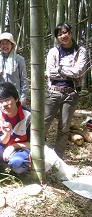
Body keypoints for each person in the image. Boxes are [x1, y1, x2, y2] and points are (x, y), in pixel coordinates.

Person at [44, 22, 87, 156]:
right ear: (57, 37)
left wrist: (60, 69)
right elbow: (50, 73)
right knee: (43, 124)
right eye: (59, 34)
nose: (63, 36)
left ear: (70, 33)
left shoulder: (81, 50)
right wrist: (69, 73)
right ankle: (36, 154)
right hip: (53, 92)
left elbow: (79, 72)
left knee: (64, 129)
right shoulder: (53, 51)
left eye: (65, 32)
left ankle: (58, 160)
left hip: (71, 94)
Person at [0, 82, 31, 174]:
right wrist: (7, 133)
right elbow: (1, 141)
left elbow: (35, 144)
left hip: (22, 149)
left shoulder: (29, 116)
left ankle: (21, 173)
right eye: (0, 102)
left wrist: (14, 146)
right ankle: (0, 170)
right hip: (3, 146)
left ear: (16, 98)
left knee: (17, 163)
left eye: (7, 100)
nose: (4, 104)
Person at [0, 32, 28, 106]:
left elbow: (24, 80)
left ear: (11, 45)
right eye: (2, 43)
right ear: (0, 45)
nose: (4, 46)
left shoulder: (19, 59)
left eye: (7, 43)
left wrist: (23, 97)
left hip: (15, 96)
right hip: (1, 96)